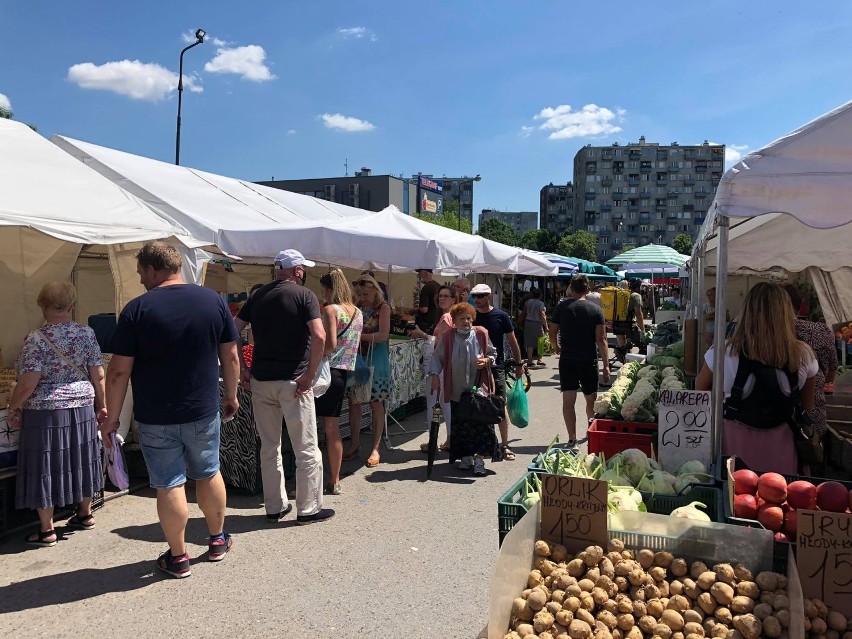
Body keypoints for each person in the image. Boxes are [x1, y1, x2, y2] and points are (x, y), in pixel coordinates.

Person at [103, 242, 240, 578]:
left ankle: (178, 558)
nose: (139, 280)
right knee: (208, 473)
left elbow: (119, 371)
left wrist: (112, 416)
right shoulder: (212, 301)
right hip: (202, 409)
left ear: (152, 269)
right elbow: (232, 356)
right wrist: (232, 395)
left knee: (169, 484)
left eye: (140, 273)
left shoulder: (137, 310)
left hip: (156, 414)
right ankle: (218, 541)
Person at [234, 249, 333, 526]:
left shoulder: (258, 296)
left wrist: (243, 368)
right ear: (298, 270)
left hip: (262, 381)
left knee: (269, 447)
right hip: (293, 382)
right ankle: (308, 508)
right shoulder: (305, 295)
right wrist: (310, 375)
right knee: (306, 448)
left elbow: (233, 329)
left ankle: (275, 507)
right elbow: (319, 335)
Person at [7, 282, 105, 547]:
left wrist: (13, 406)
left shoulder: (36, 338)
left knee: (45, 465)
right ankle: (85, 514)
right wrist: (102, 404)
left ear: (42, 305)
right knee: (83, 458)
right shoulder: (86, 333)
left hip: (46, 411)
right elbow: (99, 374)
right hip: (83, 404)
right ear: (72, 306)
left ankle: (47, 529)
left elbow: (28, 382)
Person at [695, 282, 818, 474]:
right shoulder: (804, 355)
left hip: (732, 456)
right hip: (781, 455)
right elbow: (806, 409)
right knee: (776, 499)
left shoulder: (722, 351)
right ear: (786, 314)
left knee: (731, 499)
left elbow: (699, 394)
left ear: (746, 313)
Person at [429, 303, 499, 475]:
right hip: (456, 390)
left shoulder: (481, 333)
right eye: (462, 319)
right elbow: (437, 358)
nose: (466, 321)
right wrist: (435, 376)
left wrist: (487, 360)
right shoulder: (447, 337)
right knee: (461, 425)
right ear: (454, 321)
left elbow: (493, 353)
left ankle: (480, 461)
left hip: (479, 388)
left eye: (469, 318)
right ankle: (466, 457)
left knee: (480, 425)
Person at [315, 269, 363, 495]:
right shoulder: (357, 312)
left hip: (327, 370)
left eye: (324, 290)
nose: (322, 294)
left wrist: (315, 354)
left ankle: (319, 480)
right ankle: (335, 479)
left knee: (321, 428)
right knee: (332, 427)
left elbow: (331, 344)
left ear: (329, 289)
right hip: (344, 372)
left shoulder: (331, 310)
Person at [549, 275, 610, 450]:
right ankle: (590, 431)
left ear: (571, 288)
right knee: (590, 399)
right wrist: (606, 365)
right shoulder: (595, 310)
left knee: (568, 399)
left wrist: (556, 347)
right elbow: (602, 339)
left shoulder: (561, 308)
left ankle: (571, 439)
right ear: (587, 289)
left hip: (568, 359)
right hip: (588, 359)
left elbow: (552, 333)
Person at [471, 283, 524, 461]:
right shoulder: (471, 316)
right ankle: (480, 445)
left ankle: (504, 444)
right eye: (474, 296)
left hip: (496, 366)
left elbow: (512, 339)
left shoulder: (501, 316)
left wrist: (519, 363)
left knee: (499, 404)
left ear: (488, 296)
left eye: (480, 296)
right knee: (476, 405)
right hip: (475, 368)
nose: (477, 299)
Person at [344, 273, 392, 468]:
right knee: (354, 402)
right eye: (360, 294)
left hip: (376, 360)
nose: (362, 298)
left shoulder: (384, 308)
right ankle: (355, 444)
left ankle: (375, 448)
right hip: (358, 360)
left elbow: (383, 335)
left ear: (375, 291)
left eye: (365, 294)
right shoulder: (356, 308)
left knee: (376, 404)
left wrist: (358, 336)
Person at [783, 284, 837, 444]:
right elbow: (830, 374)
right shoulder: (822, 331)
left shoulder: (767, 335)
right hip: (813, 419)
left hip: (778, 421)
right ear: (799, 308)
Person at [410, 285, 455, 452]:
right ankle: (450, 438)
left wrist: (422, 335)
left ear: (453, 299)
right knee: (446, 404)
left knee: (433, 403)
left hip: (439, 367)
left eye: (446, 296)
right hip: (449, 366)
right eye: (440, 296)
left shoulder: (446, 317)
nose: (442, 298)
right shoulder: (455, 316)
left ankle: (433, 441)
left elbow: (439, 344)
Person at [613, 278, 645, 349]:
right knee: (640, 344)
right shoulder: (635, 296)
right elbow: (638, 314)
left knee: (622, 347)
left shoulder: (620, 294)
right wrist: (643, 330)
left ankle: (622, 356)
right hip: (629, 324)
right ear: (638, 286)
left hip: (617, 323)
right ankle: (626, 357)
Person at [522, 288, 548, 368]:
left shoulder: (527, 302)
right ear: (540, 295)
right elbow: (542, 315)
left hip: (528, 322)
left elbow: (524, 312)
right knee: (540, 340)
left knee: (530, 343)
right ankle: (540, 359)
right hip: (537, 323)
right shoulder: (541, 304)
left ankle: (529, 360)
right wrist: (546, 326)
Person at [414, 268, 441, 333]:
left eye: (419, 274)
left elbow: (424, 309)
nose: (419, 277)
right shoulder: (438, 286)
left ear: (425, 274)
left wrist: (412, 311)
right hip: (437, 322)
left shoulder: (426, 287)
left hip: (426, 325)